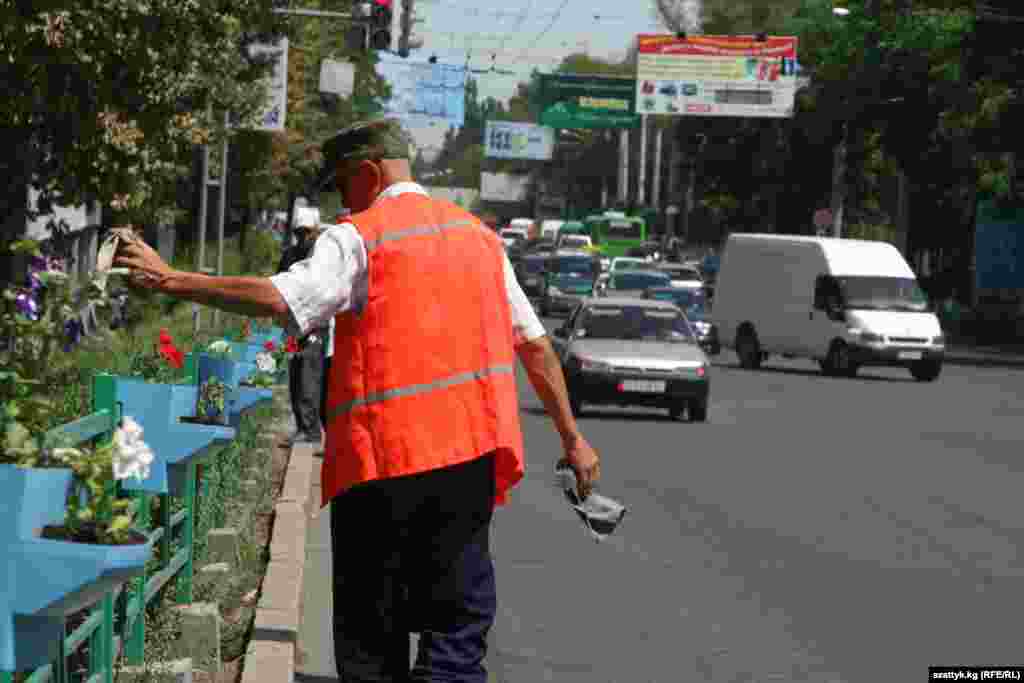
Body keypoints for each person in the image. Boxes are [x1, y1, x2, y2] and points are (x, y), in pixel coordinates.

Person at [113, 117, 600, 683]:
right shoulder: (481, 240)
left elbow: (279, 299)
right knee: (457, 626)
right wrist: (573, 438)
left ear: (369, 173)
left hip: (382, 464)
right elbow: (536, 347)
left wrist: (173, 280)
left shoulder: (360, 237)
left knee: (372, 628)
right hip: (468, 460)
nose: (342, 201)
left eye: (343, 184)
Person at [276, 208, 327, 445]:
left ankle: (311, 429)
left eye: (307, 232)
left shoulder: (322, 258)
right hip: (294, 326)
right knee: (295, 378)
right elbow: (278, 286)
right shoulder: (289, 256)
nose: (303, 237)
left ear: (315, 232)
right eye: (299, 232)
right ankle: (301, 426)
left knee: (309, 377)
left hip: (316, 325)